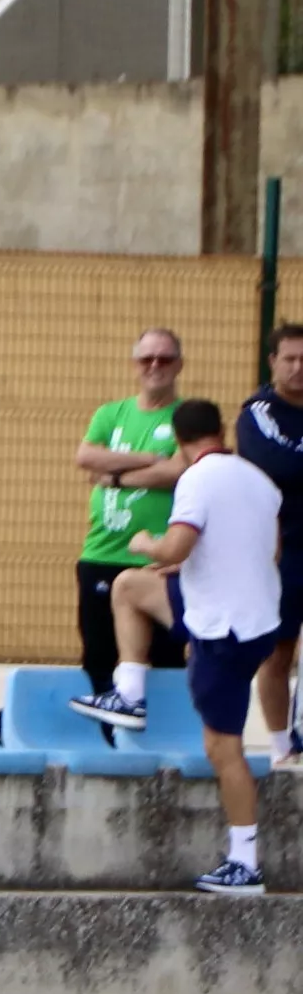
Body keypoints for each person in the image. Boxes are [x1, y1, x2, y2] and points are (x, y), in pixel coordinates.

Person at [73, 400, 283, 894]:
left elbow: (175, 547)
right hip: (255, 621)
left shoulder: (197, 478)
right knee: (130, 588)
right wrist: (183, 569)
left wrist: (149, 544)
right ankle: (129, 693)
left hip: (223, 631)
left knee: (222, 749)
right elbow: (266, 550)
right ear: (220, 430)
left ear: (177, 437)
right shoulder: (258, 480)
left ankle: (245, 862)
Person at [66, 330, 189, 698]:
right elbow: (86, 457)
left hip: (158, 560)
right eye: (147, 358)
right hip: (102, 553)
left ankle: (166, 739)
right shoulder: (111, 413)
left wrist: (112, 478)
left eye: (165, 359)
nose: (155, 366)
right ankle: (105, 734)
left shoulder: (186, 417)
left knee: (166, 653)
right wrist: (150, 459)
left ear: (179, 365)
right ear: (135, 364)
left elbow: (181, 469)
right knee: (100, 653)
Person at [226, 326, 303, 765]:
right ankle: (280, 748)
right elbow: (274, 464)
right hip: (281, 551)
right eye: (289, 358)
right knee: (277, 652)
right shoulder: (257, 412)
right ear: (272, 361)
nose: (297, 368)